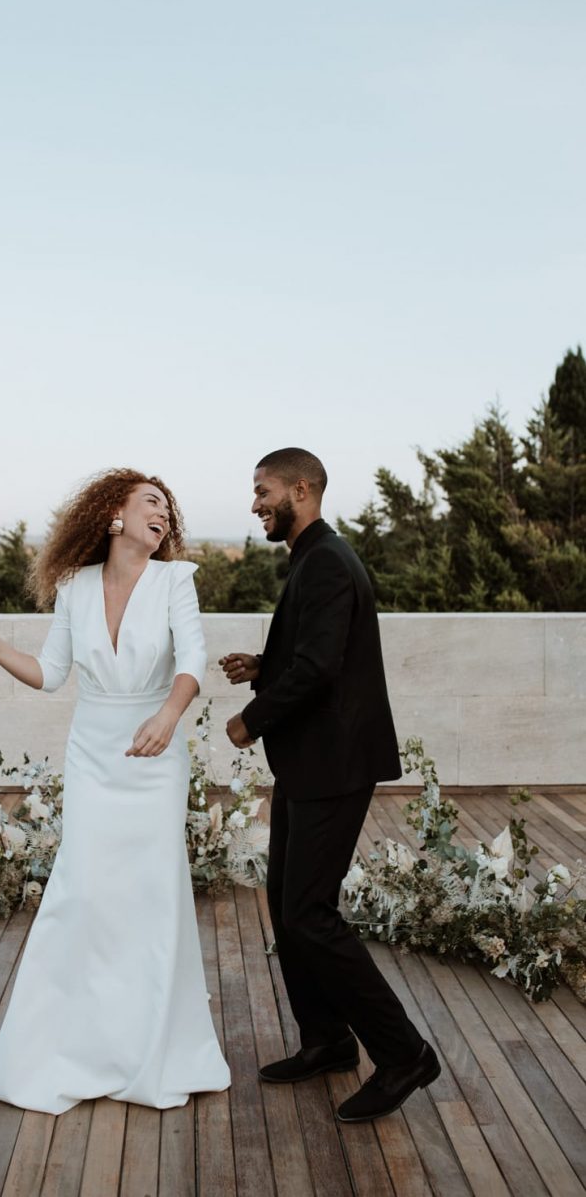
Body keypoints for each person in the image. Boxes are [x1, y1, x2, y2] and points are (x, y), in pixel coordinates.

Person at [0, 469, 230, 1114]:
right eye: (150, 502)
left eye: (168, 507)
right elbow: (52, 674)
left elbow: (191, 661)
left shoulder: (174, 582)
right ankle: (68, 1046)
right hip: (92, 755)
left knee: (151, 894)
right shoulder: (74, 587)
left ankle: (152, 1052)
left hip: (155, 756)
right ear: (113, 514)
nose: (162, 514)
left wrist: (167, 718)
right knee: (81, 894)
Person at [220, 447, 439, 1123]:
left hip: (334, 765)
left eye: (263, 490)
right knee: (289, 907)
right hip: (313, 764)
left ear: (302, 489)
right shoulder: (315, 558)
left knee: (310, 914)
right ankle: (327, 1039)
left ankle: (404, 1054)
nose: (254, 502)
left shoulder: (328, 562)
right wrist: (262, 665)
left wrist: (250, 719)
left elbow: (318, 669)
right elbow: (319, 654)